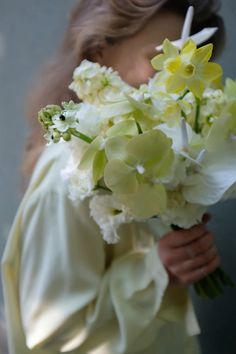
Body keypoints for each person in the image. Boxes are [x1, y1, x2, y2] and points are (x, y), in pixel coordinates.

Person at [1, 1, 225, 353]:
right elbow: (54, 338)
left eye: (188, 65)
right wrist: (156, 271)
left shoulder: (152, 150)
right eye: (158, 59)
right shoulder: (70, 173)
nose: (178, 83)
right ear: (100, 53)